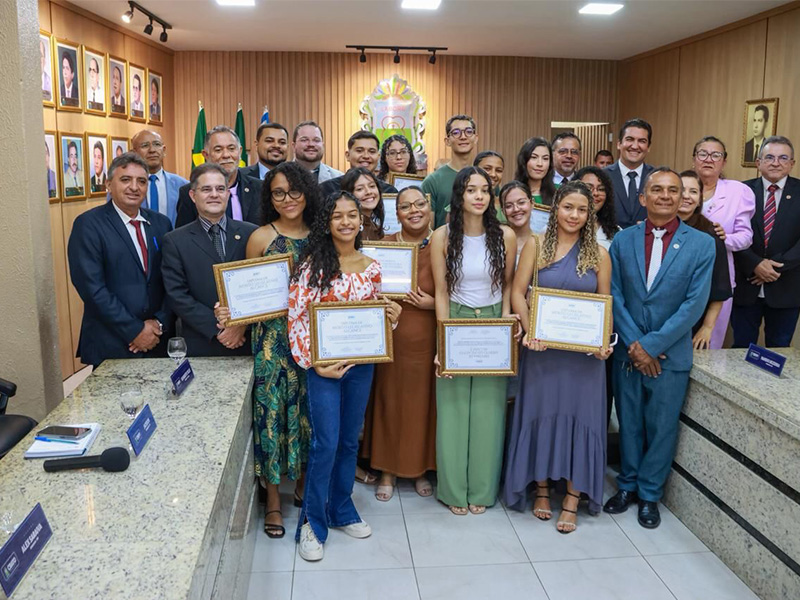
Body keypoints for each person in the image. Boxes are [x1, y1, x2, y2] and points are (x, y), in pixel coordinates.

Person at [288, 191, 401, 562]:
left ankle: (342, 509)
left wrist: (391, 318)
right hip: (323, 368)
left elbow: (374, 314)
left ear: (361, 219)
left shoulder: (371, 266)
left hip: (361, 366)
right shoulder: (311, 266)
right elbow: (298, 317)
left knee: (350, 441)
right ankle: (312, 523)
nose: (347, 222)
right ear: (327, 222)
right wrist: (314, 363)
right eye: (338, 216)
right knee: (326, 443)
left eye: (353, 215)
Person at [603, 168, 714, 529]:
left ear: (683, 197)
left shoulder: (701, 244)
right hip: (628, 353)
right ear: (642, 198)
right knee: (630, 423)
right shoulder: (623, 241)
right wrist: (636, 345)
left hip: (670, 355)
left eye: (673, 190)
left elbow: (694, 305)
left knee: (662, 427)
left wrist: (651, 346)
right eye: (657, 190)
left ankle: (650, 494)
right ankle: (629, 485)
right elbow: (614, 295)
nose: (665, 196)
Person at [215, 162, 319, 539]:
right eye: (278, 192)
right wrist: (231, 314)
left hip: (313, 340)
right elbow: (243, 291)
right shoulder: (260, 237)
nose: (288, 199)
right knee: (271, 415)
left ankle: (306, 486)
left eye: (294, 191)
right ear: (268, 197)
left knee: (310, 414)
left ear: (307, 192)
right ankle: (273, 499)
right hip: (272, 342)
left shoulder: (322, 234)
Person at [503, 181, 612, 533]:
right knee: (541, 413)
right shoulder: (535, 246)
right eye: (568, 208)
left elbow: (604, 304)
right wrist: (530, 327)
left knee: (582, 419)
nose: (574, 215)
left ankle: (572, 498)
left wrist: (603, 342)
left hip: (583, 361)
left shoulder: (599, 254)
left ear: (589, 214)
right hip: (542, 351)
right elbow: (518, 293)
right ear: (555, 210)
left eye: (582, 210)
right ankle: (543, 489)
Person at [430, 166, 516, 515]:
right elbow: (440, 291)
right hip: (456, 319)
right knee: (452, 411)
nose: (479, 196)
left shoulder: (506, 236)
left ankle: (481, 490)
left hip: (494, 323)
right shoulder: (442, 236)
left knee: (488, 411)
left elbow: (508, 285)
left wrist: (508, 319)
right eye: (471, 190)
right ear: (459, 196)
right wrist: (442, 343)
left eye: (484, 190)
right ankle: (453, 491)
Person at [362, 186, 437, 501]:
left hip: (426, 334)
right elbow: (367, 288)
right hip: (390, 334)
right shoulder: (383, 247)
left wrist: (431, 303)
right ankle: (388, 469)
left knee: (421, 403)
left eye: (419, 204)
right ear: (397, 213)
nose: (414, 210)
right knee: (389, 402)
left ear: (429, 206)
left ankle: (418, 469)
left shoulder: (442, 245)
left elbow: (453, 293)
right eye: (406, 207)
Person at [67, 153, 173, 368]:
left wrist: (159, 323)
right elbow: (91, 288)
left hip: (157, 340)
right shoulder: (88, 225)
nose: (134, 187)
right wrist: (134, 330)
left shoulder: (161, 223)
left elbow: (172, 280)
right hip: (112, 341)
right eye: (126, 180)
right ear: (109, 184)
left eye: (141, 181)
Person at [162, 163, 257, 358]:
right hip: (202, 342)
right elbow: (177, 295)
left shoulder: (251, 233)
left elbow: (258, 287)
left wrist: (241, 325)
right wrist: (219, 329)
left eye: (220, 189)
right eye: (206, 189)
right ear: (192, 195)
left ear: (228, 194)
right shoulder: (174, 240)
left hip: (247, 340)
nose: (214, 194)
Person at [733, 136, 800, 348]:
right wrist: (754, 264)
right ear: (758, 162)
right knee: (740, 349)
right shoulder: (740, 192)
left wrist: (773, 267)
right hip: (745, 283)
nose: (775, 163)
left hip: (786, 286)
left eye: (783, 158)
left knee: (779, 351)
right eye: (769, 157)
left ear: (792, 164)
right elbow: (729, 233)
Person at [693, 136, 755, 349]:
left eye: (715, 155)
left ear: (724, 162)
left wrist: (724, 238)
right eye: (703, 154)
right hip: (683, 273)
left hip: (718, 277)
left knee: (710, 342)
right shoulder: (682, 187)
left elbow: (746, 237)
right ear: (694, 159)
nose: (708, 159)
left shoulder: (738, 192)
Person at [677, 170, 732, 350]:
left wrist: (707, 328)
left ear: (700, 198)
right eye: (681, 190)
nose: (686, 196)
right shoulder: (656, 229)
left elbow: (720, 286)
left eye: (693, 192)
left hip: (693, 323)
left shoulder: (710, 234)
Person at [175, 126, 263, 227]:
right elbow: (183, 236)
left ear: (240, 151)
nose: (226, 155)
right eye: (218, 150)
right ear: (205, 155)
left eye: (231, 149)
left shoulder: (260, 188)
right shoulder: (189, 193)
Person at [423, 114, 479, 228]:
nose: (463, 137)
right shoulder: (433, 181)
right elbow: (428, 229)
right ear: (447, 141)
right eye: (456, 132)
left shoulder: (484, 178)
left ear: (475, 138)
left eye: (468, 131)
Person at [132, 130, 189, 226]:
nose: (152, 150)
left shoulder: (183, 185)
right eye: (145, 146)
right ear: (134, 153)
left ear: (164, 150)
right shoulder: (123, 187)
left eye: (157, 144)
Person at [605, 118, 654, 229]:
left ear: (649, 147)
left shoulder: (656, 177)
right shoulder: (602, 177)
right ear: (619, 144)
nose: (635, 146)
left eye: (642, 141)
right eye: (630, 139)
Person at [320, 131, 397, 198]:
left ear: (378, 157)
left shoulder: (389, 192)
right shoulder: (327, 189)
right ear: (347, 155)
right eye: (359, 151)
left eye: (372, 151)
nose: (366, 156)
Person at [576, 166, 619, 250]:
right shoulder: (561, 226)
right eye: (588, 188)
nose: (595, 193)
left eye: (601, 189)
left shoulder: (616, 233)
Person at [340, 167, 385, 241]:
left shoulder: (376, 228)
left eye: (372, 186)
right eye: (360, 189)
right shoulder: (347, 228)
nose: (368, 192)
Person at [514, 137, 556, 206]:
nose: (540, 164)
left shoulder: (559, 193)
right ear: (524, 160)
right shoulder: (512, 192)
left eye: (545, 158)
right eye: (534, 157)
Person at [499, 181, 533, 258]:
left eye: (521, 203)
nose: (516, 209)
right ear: (503, 211)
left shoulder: (541, 242)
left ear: (532, 203)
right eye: (508, 206)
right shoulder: (496, 242)